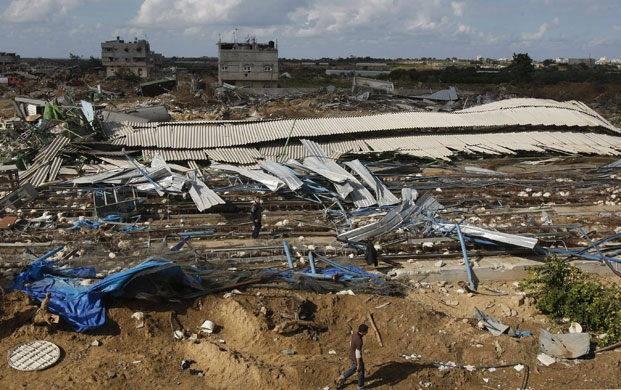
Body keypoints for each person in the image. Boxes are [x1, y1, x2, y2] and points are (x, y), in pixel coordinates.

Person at [335, 324, 368, 390]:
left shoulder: (355, 333)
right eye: (366, 331)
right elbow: (358, 353)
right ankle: (360, 387)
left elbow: (351, 339)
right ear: (362, 332)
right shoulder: (359, 341)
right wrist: (359, 364)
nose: (367, 332)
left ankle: (339, 379)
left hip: (351, 356)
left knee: (353, 370)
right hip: (356, 358)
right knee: (361, 372)